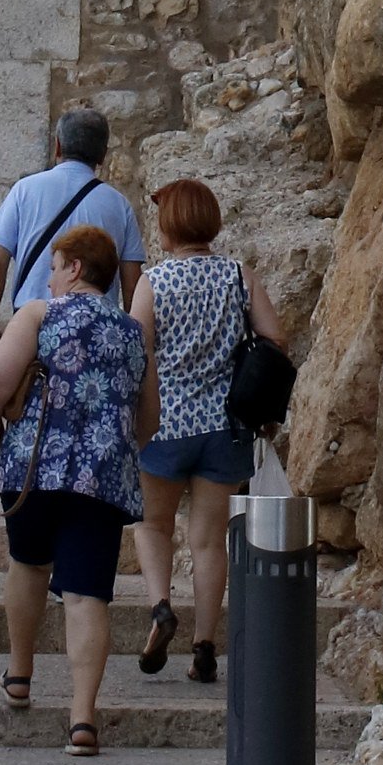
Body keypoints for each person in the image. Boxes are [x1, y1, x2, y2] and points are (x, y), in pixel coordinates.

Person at [0, 219, 157, 755]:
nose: (49, 281)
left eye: (53, 269)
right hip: (102, 477)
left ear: (75, 268)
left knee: (28, 564)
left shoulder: (38, 315)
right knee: (86, 595)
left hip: (34, 469)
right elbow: (150, 417)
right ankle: (82, 720)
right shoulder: (131, 332)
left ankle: (20, 674)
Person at [131, 177, 286, 686]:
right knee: (208, 541)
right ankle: (203, 645)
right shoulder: (238, 276)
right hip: (225, 426)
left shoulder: (153, 283)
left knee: (154, 526)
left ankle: (159, 608)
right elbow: (275, 336)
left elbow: (137, 352)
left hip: (164, 426)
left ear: (169, 225)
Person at [0, 106, 144, 354]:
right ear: (102, 156)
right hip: (96, 332)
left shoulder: (24, 190)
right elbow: (133, 285)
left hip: (32, 327)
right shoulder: (119, 205)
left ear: (57, 146)